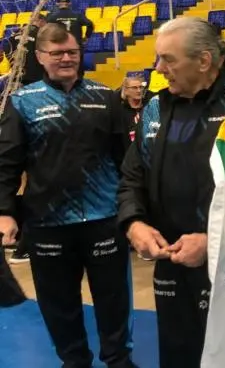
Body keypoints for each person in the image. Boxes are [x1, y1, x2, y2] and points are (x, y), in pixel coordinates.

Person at [117, 17, 225, 368]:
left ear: (203, 61)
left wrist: (212, 241)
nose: (158, 68)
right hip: (170, 260)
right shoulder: (155, 108)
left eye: (168, 59)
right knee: (178, 353)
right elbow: (132, 176)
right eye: (158, 58)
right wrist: (134, 223)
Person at [0, 23, 134, 368]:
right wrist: (5, 211)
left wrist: (134, 210)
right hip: (48, 222)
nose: (66, 59)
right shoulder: (22, 102)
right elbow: (7, 162)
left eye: (72, 52)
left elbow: (126, 160)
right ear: (41, 57)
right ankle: (74, 360)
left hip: (104, 218)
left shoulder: (105, 97)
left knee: (114, 298)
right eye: (57, 53)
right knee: (58, 303)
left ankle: (118, 358)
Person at [3, 14, 47, 86]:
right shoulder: (41, 34)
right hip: (36, 76)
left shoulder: (17, 32)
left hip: (18, 74)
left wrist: (12, 62)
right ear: (41, 21)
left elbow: (7, 47)